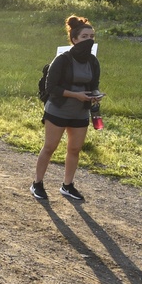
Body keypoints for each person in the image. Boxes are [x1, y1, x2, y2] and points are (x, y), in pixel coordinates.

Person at [31, 15, 102, 202]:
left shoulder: (93, 62)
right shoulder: (62, 59)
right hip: (58, 109)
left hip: (80, 111)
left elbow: (94, 84)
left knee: (75, 149)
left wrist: (95, 95)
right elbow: (51, 88)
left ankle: (67, 186)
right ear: (74, 39)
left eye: (92, 36)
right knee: (49, 147)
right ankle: (37, 183)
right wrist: (75, 95)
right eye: (85, 37)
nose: (90, 40)